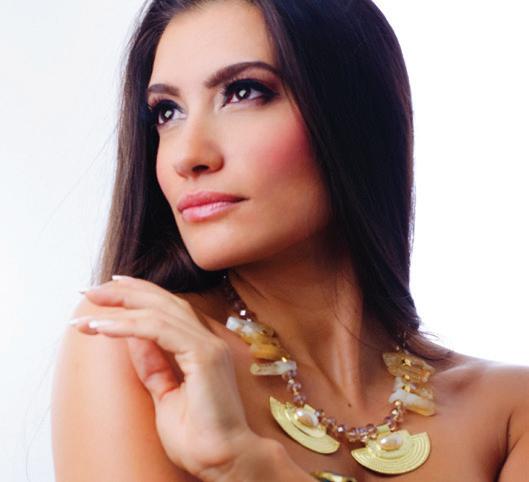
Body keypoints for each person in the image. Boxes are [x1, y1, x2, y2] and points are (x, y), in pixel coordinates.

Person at [50, 0, 529, 480]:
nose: (187, 155)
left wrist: (247, 464)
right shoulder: (138, 346)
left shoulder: (510, 412)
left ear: (354, 111)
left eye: (243, 92)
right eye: (167, 112)